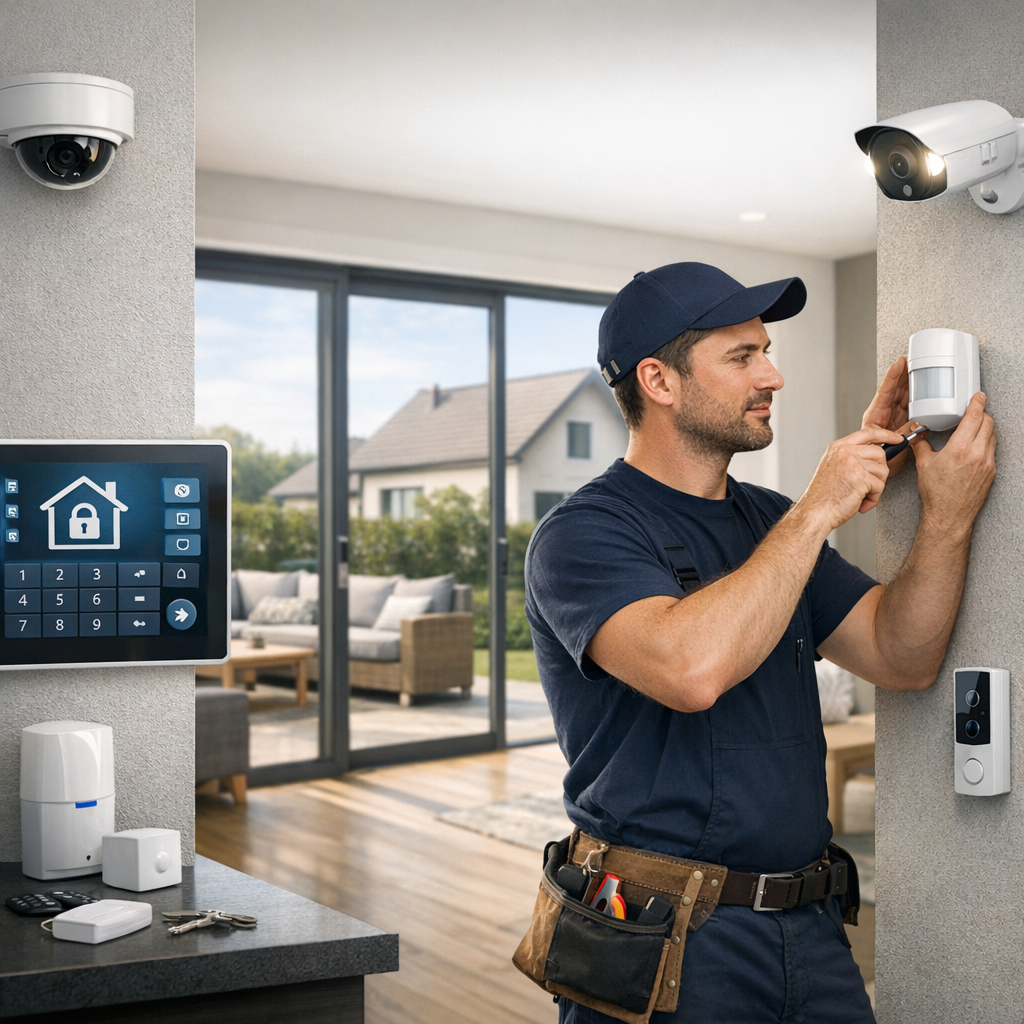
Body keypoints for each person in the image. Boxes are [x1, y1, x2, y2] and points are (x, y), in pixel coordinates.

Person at [523, 262, 996, 1024]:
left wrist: (947, 515)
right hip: (662, 940)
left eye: (766, 351)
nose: (772, 375)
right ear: (660, 381)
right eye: (742, 357)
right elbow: (690, 669)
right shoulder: (583, 534)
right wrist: (816, 513)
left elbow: (899, 656)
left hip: (809, 930)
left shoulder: (766, 518)